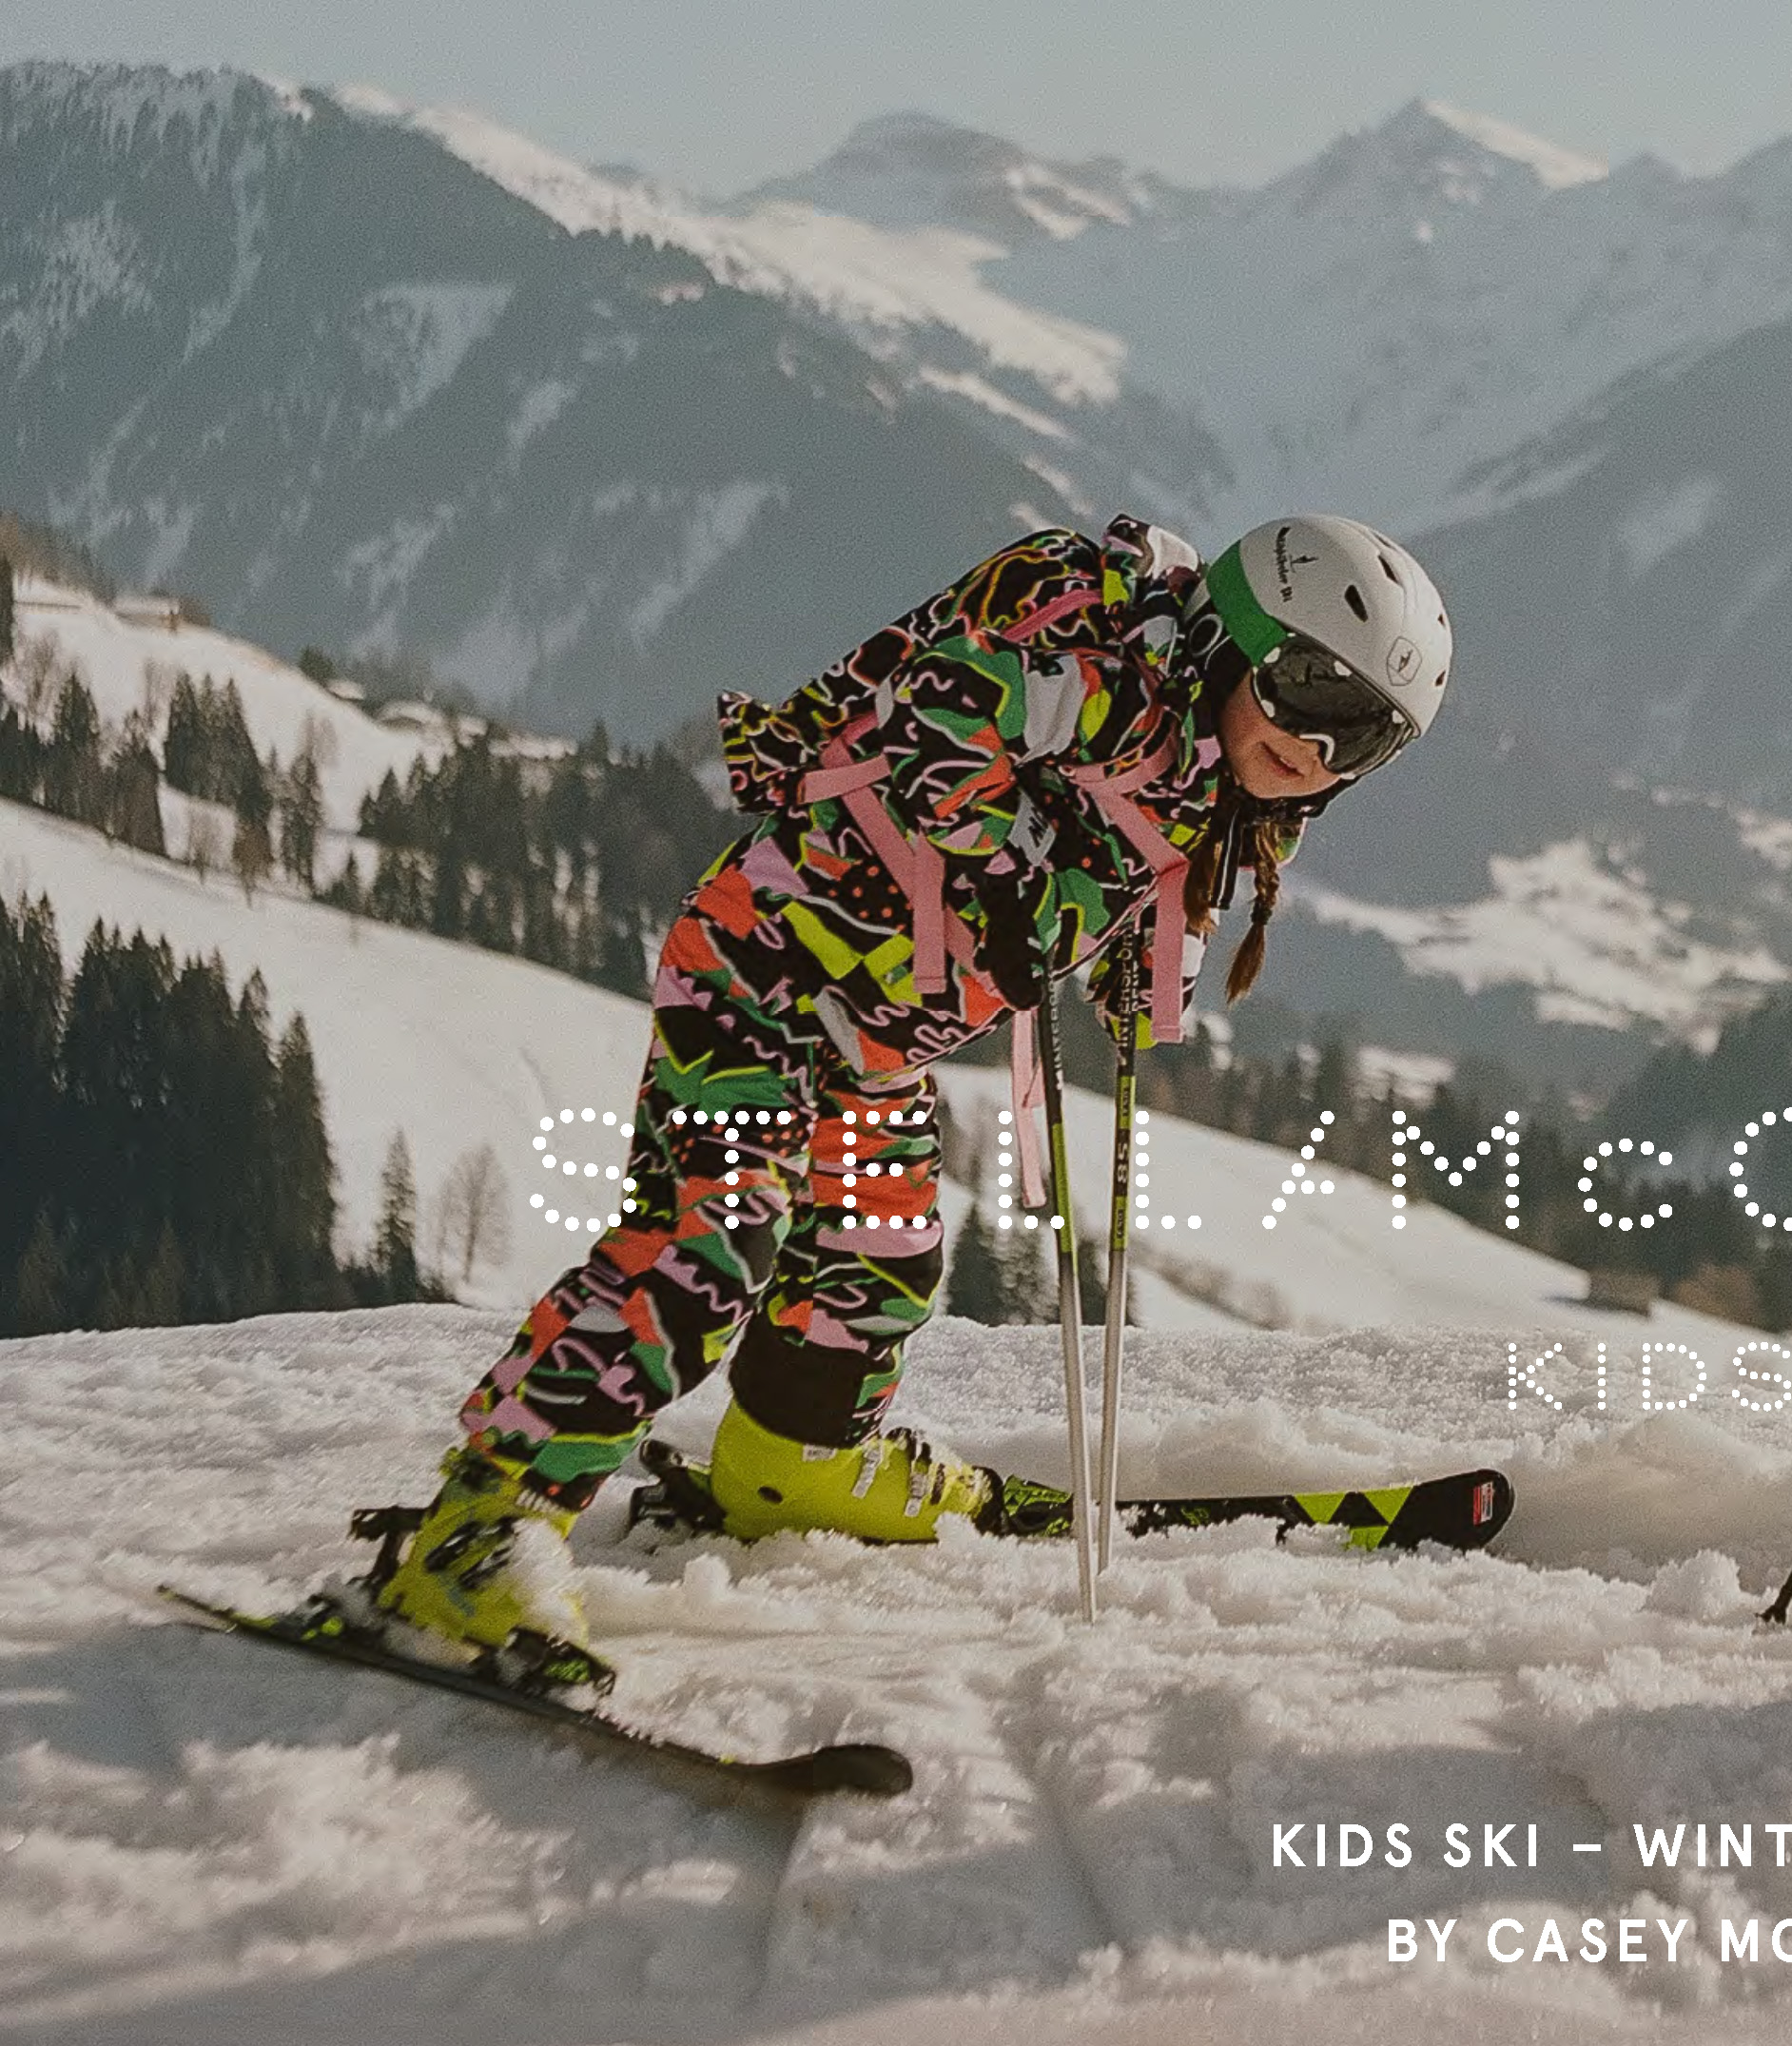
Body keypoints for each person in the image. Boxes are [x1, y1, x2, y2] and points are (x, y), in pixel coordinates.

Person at [330, 513, 1451, 1696]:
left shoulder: (1225, 782)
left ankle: (793, 1461)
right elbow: (940, 710)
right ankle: (482, 1524)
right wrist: (1010, 872)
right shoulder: (1110, 680)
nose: (1316, 746)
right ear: (1231, 636)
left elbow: (1142, 863)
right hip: (761, 972)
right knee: (708, 1246)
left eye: (1364, 736)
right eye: (1308, 689)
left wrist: (1133, 956)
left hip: (871, 1040)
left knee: (883, 1258)